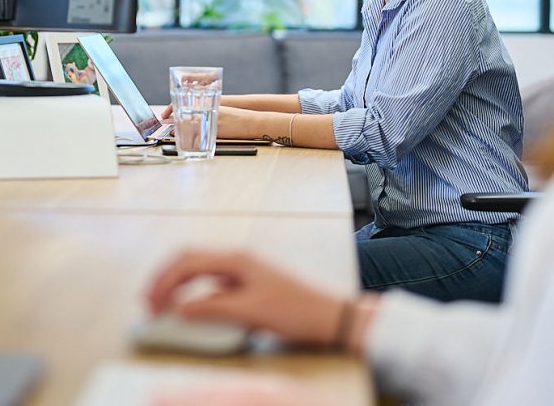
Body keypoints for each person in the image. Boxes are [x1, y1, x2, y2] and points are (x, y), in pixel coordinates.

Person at [162, 0, 528, 302]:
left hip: (471, 243)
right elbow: (347, 104)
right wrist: (212, 105)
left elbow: (381, 133)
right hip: (407, 233)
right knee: (263, 258)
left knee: (271, 275)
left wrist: (248, 124)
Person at [145, 138, 554, 406]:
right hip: (417, 233)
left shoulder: (445, 3)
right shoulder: (383, 12)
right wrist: (343, 319)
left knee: (311, 265)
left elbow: (382, 129)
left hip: (471, 241)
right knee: (298, 263)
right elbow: (525, 358)